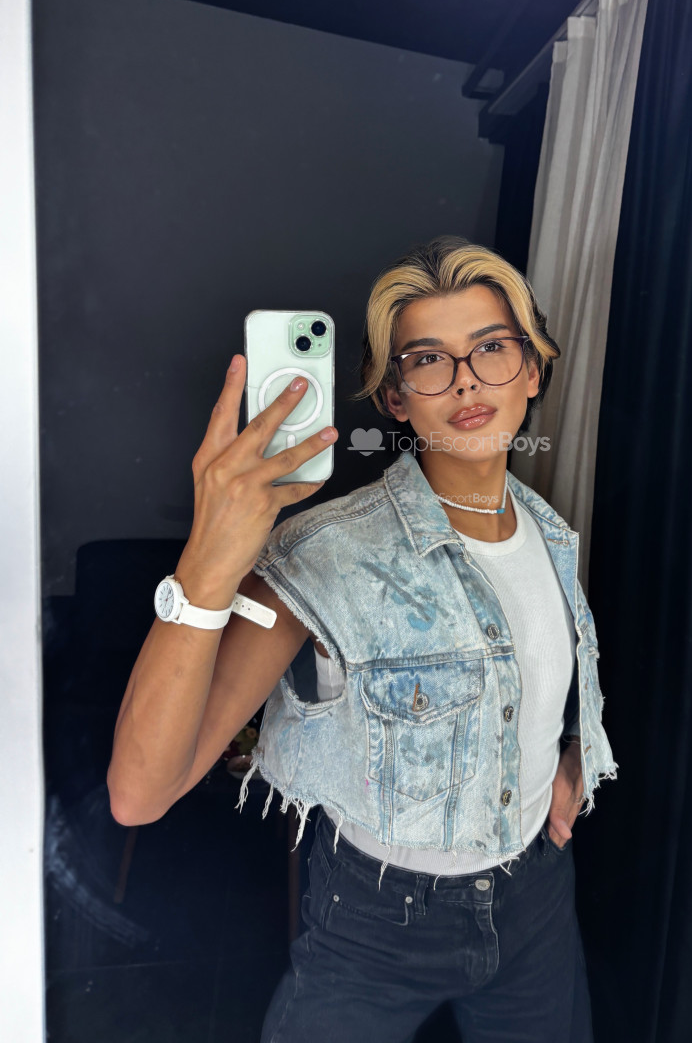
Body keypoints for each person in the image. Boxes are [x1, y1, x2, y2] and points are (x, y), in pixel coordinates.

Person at [108, 235, 617, 1043]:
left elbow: (536, 678)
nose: (465, 380)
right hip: (376, 922)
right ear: (395, 398)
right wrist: (206, 561)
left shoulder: (551, 533)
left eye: (491, 347)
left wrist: (567, 753)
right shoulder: (325, 555)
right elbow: (140, 792)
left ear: (532, 368)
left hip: (536, 902)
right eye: (428, 359)